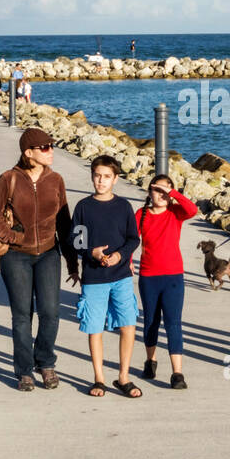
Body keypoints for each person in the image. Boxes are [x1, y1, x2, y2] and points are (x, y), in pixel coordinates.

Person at [0, 128, 78, 392]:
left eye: (51, 146)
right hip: (16, 257)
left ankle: (45, 362)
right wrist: (12, 238)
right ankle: (24, 371)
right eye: (45, 147)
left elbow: (64, 221)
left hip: (49, 253)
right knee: (22, 316)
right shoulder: (9, 178)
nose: (51, 151)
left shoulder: (56, 180)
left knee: (50, 312)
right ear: (29, 153)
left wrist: (72, 262)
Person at [70, 155, 142, 397]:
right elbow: (76, 241)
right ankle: (99, 378)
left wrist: (120, 256)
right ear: (92, 176)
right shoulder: (83, 207)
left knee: (128, 324)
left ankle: (123, 377)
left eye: (106, 177)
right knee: (94, 327)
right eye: (97, 176)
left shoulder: (124, 207)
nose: (101, 181)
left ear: (115, 179)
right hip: (94, 278)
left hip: (121, 276)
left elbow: (134, 239)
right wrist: (92, 252)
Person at [135, 174, 198, 390]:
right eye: (156, 190)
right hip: (148, 276)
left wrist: (172, 193)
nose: (160, 195)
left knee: (173, 323)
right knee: (151, 321)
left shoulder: (175, 213)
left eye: (165, 191)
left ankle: (177, 373)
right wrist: (125, 261)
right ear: (149, 192)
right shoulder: (141, 214)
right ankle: (150, 360)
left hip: (173, 276)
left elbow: (192, 209)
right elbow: (130, 238)